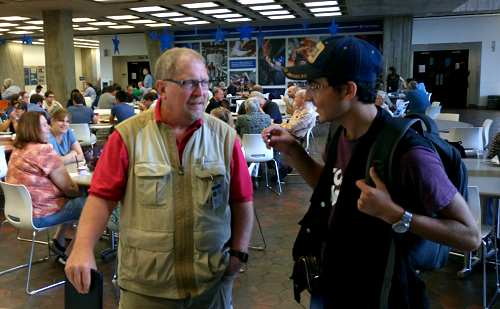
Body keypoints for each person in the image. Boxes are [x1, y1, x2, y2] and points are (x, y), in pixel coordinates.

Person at [265, 36, 480, 308]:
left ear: (348, 90)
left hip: (382, 293)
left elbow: (470, 236)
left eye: (317, 85)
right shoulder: (340, 132)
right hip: (335, 281)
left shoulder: (409, 154)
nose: (308, 95)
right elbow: (333, 188)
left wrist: (397, 216)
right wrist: (294, 151)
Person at [65, 47, 254, 308]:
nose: (201, 92)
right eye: (189, 83)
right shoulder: (127, 137)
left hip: (211, 285)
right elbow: (101, 198)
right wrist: (83, 247)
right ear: (163, 89)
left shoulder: (224, 137)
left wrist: (239, 253)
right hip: (147, 288)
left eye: (204, 82)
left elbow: (242, 200)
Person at [6, 111, 86, 264]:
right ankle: (70, 255)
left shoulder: (17, 150)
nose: (48, 128)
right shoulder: (43, 150)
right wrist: (82, 191)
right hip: (41, 214)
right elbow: (69, 187)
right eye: (43, 125)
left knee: (73, 201)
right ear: (33, 128)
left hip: (21, 212)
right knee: (92, 204)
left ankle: (59, 240)